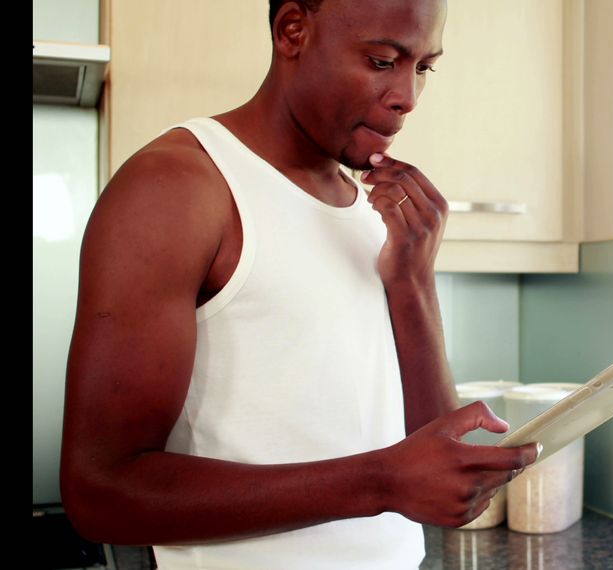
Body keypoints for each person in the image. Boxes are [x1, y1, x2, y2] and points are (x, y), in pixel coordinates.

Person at [58, 0, 541, 567]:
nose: (407, 97)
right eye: (384, 61)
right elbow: (101, 492)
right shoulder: (178, 188)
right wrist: (379, 481)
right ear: (293, 30)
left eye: (424, 67)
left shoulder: (372, 210)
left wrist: (413, 281)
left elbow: (435, 454)